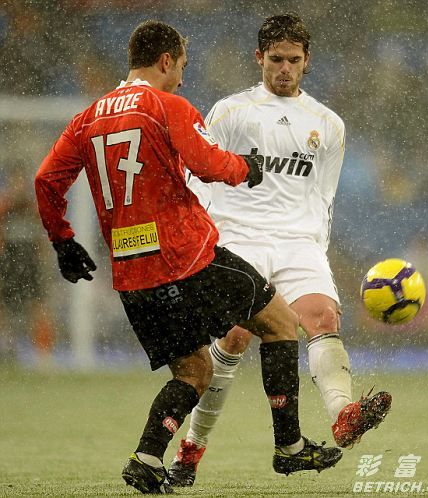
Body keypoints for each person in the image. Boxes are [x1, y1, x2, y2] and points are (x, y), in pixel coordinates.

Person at [35, 20, 343, 495]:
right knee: (281, 322)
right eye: (181, 66)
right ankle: (289, 447)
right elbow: (207, 162)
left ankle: (146, 458)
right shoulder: (167, 106)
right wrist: (246, 168)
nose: (181, 78)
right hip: (188, 257)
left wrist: (63, 239)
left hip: (133, 273)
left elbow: (46, 180)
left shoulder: (87, 118)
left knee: (194, 371)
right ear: (166, 61)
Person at [168, 13, 392, 487]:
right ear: (259, 58)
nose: (284, 68)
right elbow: (199, 177)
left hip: (297, 242)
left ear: (307, 60)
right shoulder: (231, 112)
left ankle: (343, 414)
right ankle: (191, 449)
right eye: (275, 59)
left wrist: (316, 252)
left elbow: (324, 197)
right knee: (234, 338)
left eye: (293, 60)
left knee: (323, 318)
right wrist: (204, 245)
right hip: (238, 238)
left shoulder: (328, 125)